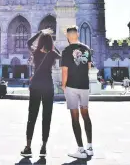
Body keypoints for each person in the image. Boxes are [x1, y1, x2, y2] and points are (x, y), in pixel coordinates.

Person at [20, 28, 61, 158]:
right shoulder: (53, 53)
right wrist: (52, 43)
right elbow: (60, 54)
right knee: (46, 117)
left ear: (40, 41)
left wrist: (40, 33)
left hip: (36, 86)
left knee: (32, 116)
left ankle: (28, 147)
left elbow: (28, 42)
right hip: (48, 86)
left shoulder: (36, 52)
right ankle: (43, 147)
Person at [61, 26, 93, 159]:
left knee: (75, 117)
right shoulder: (86, 48)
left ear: (68, 36)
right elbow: (89, 66)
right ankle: (90, 147)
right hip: (84, 86)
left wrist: (63, 86)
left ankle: (80, 149)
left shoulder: (66, 51)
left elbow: (64, 71)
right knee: (85, 115)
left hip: (72, 87)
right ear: (78, 34)